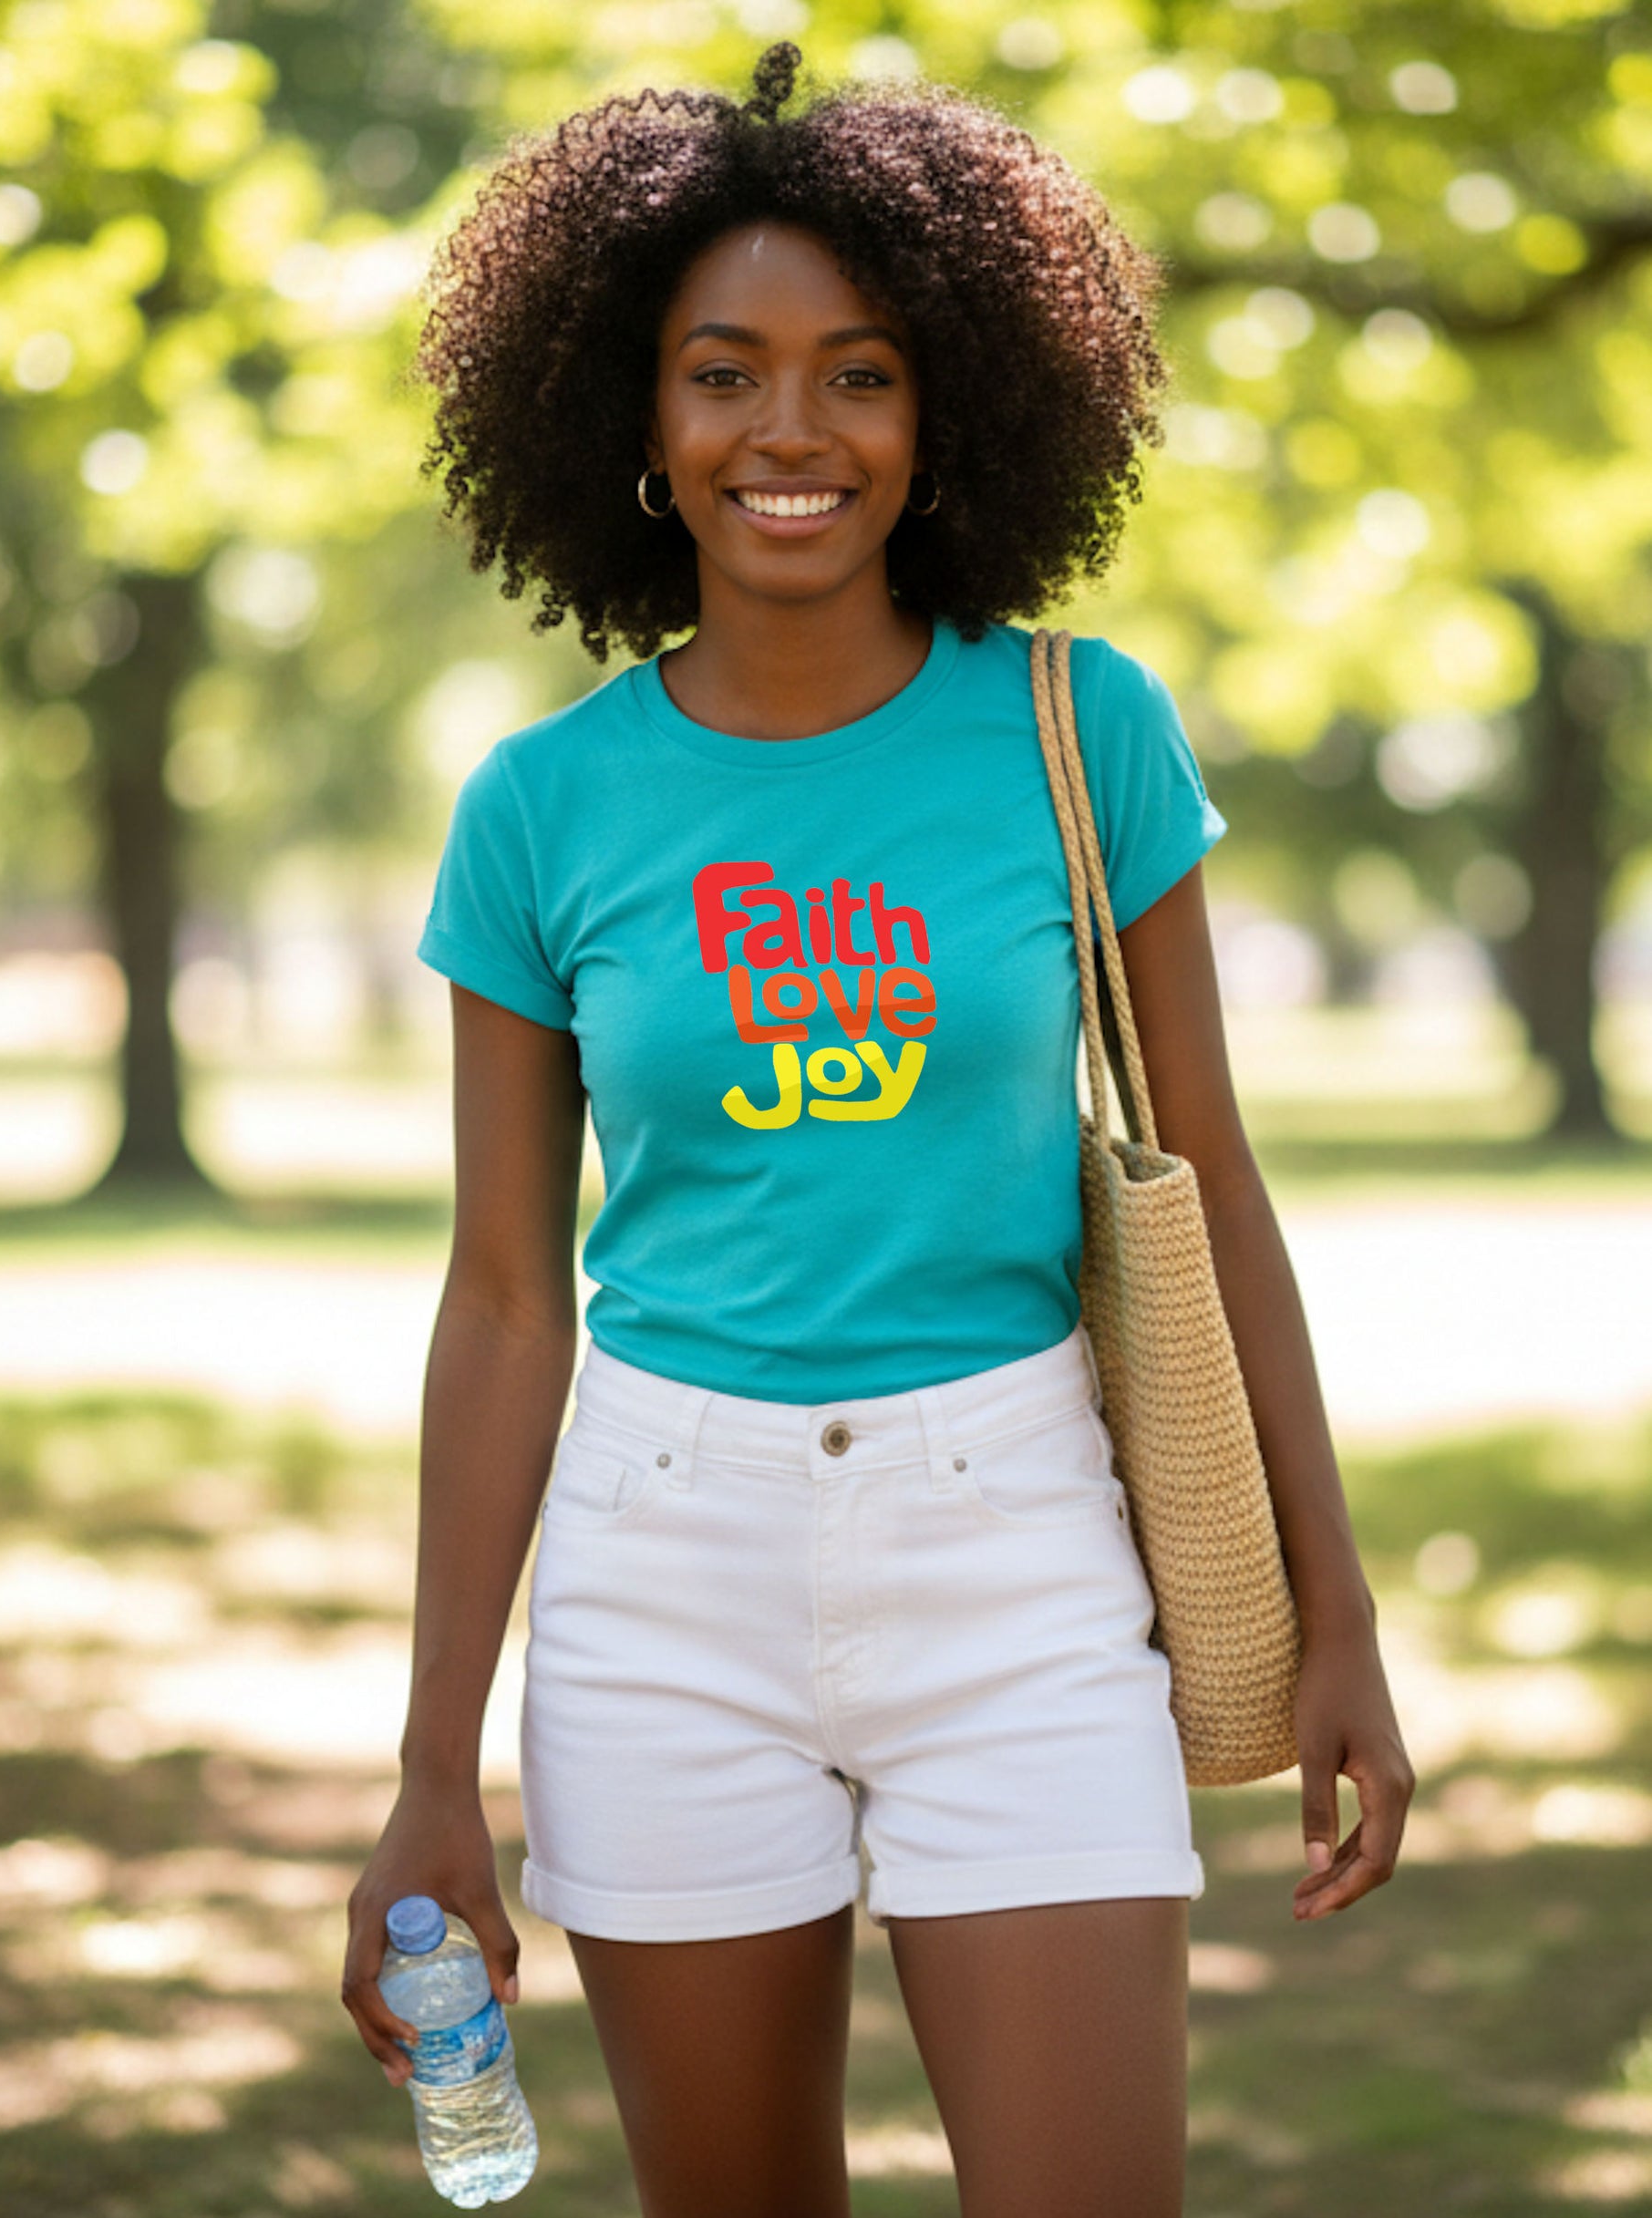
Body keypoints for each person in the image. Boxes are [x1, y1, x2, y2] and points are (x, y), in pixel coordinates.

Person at [342, 39, 1415, 2217]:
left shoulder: (1078, 726)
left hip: (1016, 1542)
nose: (791, 432)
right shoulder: (539, 807)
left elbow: (1216, 1192)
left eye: (859, 374)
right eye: (722, 373)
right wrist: (430, 1765)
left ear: (944, 420)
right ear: (636, 424)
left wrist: (1338, 1610)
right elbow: (496, 1294)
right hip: (662, 1567)